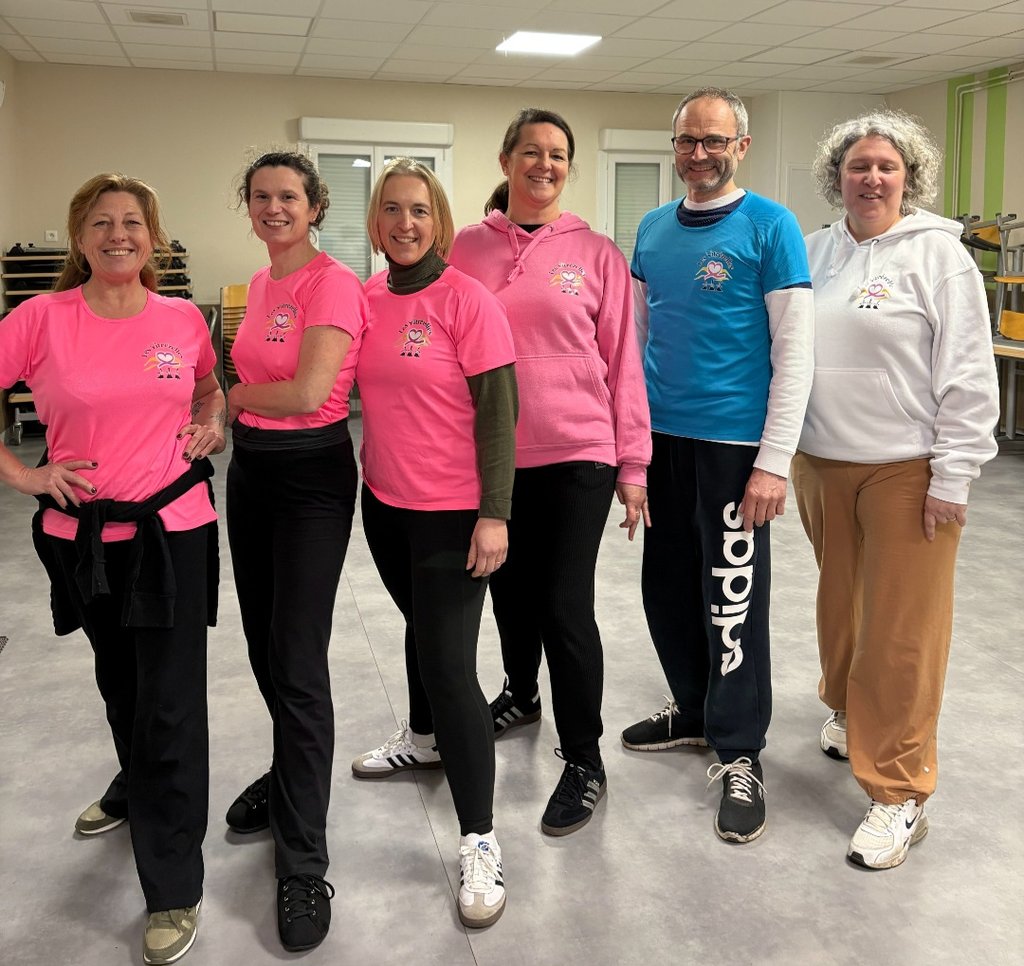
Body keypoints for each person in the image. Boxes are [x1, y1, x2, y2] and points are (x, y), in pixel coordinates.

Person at [0, 173, 225, 965]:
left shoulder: (181, 319)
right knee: (121, 683)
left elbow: (209, 388)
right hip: (83, 538)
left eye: (133, 222)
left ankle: (172, 886)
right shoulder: (40, 318)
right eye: (102, 222)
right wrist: (26, 475)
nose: (118, 234)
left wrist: (212, 421)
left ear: (152, 238)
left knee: (170, 705)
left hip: (173, 532)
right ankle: (135, 785)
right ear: (80, 236)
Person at [792, 110, 999, 870]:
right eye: (858, 166)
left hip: (906, 470)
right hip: (822, 462)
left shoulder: (940, 257)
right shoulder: (814, 250)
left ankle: (901, 791)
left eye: (887, 167)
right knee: (841, 604)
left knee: (902, 631)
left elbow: (969, 373)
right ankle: (850, 709)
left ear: (909, 178)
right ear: (836, 176)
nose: (872, 178)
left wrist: (954, 473)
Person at [448, 107, 651, 836]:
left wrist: (634, 462)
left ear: (569, 167)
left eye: (558, 154)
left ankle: (585, 758)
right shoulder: (465, 248)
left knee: (563, 605)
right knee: (507, 589)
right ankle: (521, 694)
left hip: (578, 452)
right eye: (531, 151)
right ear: (506, 160)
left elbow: (624, 359)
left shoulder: (596, 253)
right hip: (494, 456)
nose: (545, 164)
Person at [622, 87, 814, 844]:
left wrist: (774, 462)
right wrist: (632, 447)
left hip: (735, 450)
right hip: (661, 440)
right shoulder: (651, 228)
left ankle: (739, 750)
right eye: (687, 141)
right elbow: (636, 341)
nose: (698, 154)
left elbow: (795, 353)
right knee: (665, 588)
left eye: (713, 141)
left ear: (741, 146)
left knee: (730, 602)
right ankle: (695, 710)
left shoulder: (771, 225)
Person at [351, 157, 518, 928]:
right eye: (392, 209)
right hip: (384, 502)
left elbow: (498, 414)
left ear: (439, 220)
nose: (405, 223)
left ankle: (479, 838)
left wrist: (495, 513)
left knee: (450, 666)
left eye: (419, 209)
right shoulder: (367, 297)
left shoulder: (467, 300)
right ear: (376, 221)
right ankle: (421, 743)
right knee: (420, 629)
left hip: (454, 513)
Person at [223, 151, 366, 951]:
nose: (273, 208)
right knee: (261, 645)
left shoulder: (332, 283)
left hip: (311, 477)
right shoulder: (260, 282)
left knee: (298, 658)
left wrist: (234, 397)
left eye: (288, 197)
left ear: (314, 207)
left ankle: (304, 863)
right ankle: (287, 778)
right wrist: (232, 409)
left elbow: (310, 393)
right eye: (260, 196)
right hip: (251, 473)